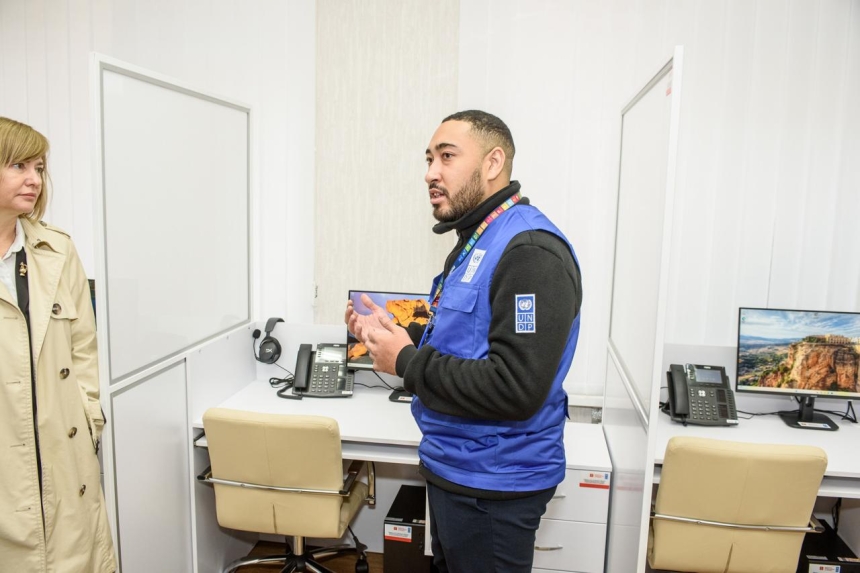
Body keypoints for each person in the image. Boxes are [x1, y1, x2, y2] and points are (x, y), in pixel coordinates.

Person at [346, 110, 582, 572]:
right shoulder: (478, 238)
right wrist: (395, 336)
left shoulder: (530, 252)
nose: (430, 173)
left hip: (495, 483)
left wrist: (406, 361)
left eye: (447, 157)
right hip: (457, 468)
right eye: (429, 159)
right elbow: (466, 340)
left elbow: (516, 387)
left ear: (493, 163)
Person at [0, 117, 116, 572]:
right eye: (19, 166)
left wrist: (89, 418)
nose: (34, 179)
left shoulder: (57, 250)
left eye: (40, 168)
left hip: (63, 451)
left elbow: (84, 346)